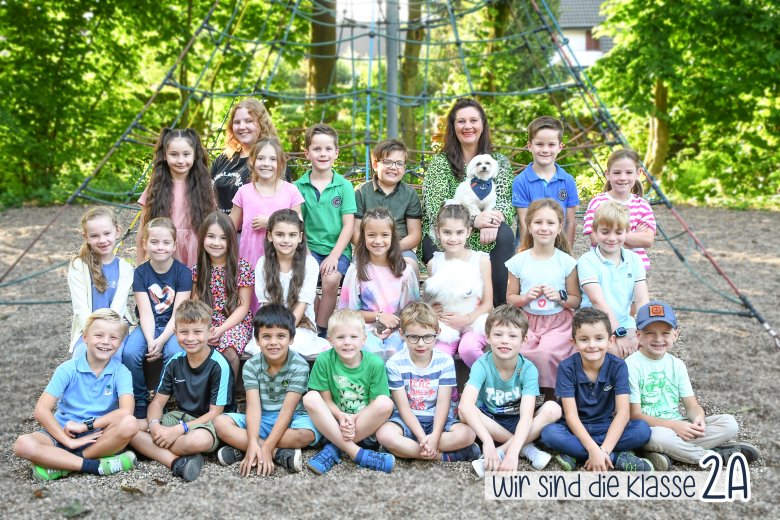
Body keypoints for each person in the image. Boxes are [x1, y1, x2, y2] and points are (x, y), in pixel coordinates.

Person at [627, 301, 759, 470]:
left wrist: (698, 419)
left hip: (680, 428)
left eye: (665, 333)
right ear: (638, 335)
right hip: (652, 430)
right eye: (650, 333)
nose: (658, 339)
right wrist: (675, 426)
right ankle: (711, 456)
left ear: (676, 335)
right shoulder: (631, 365)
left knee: (729, 423)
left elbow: (692, 406)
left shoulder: (677, 365)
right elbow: (635, 415)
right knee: (658, 437)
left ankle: (672, 455)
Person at [13, 309, 138, 481]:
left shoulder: (121, 372)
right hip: (61, 431)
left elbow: (125, 412)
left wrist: (86, 426)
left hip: (96, 436)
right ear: (85, 337)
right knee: (22, 444)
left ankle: (62, 465)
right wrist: (67, 440)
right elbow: (41, 410)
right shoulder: (67, 369)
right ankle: (94, 466)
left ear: (120, 342)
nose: (105, 342)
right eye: (99, 335)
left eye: (113, 337)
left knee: (130, 424)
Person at [419, 98, 515, 306]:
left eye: (474, 120)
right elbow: (437, 208)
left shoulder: (499, 162)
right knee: (449, 236)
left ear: (482, 125)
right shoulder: (440, 164)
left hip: (486, 229)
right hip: (446, 232)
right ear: (453, 127)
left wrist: (492, 220)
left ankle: (497, 312)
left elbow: (506, 201)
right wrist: (473, 220)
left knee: (504, 235)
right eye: (461, 121)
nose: (468, 126)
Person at [129, 299, 233, 482]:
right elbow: (158, 403)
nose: (190, 338)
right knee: (132, 428)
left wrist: (177, 430)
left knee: (198, 441)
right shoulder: (174, 362)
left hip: (207, 422)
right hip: (180, 416)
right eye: (184, 332)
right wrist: (154, 426)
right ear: (175, 333)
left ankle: (160, 449)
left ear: (210, 333)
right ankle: (178, 459)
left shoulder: (219, 365)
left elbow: (215, 413)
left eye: (197, 332)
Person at [541, 308, 653, 472]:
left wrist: (603, 450)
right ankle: (616, 458)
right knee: (549, 433)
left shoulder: (618, 366)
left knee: (642, 430)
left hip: (606, 426)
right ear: (574, 343)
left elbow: (623, 413)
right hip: (574, 428)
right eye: (584, 339)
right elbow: (571, 416)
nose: (592, 345)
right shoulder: (566, 367)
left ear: (610, 341)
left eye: (599, 338)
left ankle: (578, 454)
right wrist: (595, 451)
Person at [214, 304, 321, 475]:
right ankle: (277, 454)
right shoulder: (251, 365)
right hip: (261, 418)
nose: (273, 342)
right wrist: (264, 446)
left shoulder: (299, 366)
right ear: (257, 340)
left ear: (291, 338)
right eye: (266, 336)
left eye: (281, 336)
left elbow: (287, 411)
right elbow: (253, 407)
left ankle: (248, 449)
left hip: (292, 419)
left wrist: (260, 443)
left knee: (307, 434)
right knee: (220, 423)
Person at [459, 305, 561, 477]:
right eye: (498, 334)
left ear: (524, 340)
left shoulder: (528, 369)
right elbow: (465, 406)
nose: (504, 340)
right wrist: (487, 442)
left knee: (553, 409)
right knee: (464, 412)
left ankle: (503, 451)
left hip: (517, 421)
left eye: (513, 336)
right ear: (488, 338)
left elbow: (527, 417)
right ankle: (526, 448)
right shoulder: (482, 364)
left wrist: (511, 454)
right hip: (490, 420)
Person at [375, 303, 481, 462]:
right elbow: (403, 407)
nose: (421, 343)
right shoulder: (395, 364)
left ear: (437, 333)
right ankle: (443, 456)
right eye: (413, 337)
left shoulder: (444, 361)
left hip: (439, 420)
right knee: (384, 434)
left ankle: (405, 450)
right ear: (402, 334)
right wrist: (422, 437)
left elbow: (443, 402)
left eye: (427, 337)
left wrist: (436, 435)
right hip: (408, 419)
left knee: (468, 434)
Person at [302, 309, 396, 475]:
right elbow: (326, 400)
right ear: (330, 339)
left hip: (364, 425)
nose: (347, 342)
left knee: (385, 402)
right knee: (311, 397)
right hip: (334, 424)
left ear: (363, 339)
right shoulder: (324, 360)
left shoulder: (374, 363)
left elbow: (375, 403)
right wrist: (340, 416)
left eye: (353, 337)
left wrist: (353, 418)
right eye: (340, 337)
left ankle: (334, 449)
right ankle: (357, 454)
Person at [505, 198, 581, 400]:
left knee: (546, 353)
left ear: (559, 228)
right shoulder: (518, 261)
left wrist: (559, 298)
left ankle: (552, 398)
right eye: (538, 222)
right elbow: (510, 298)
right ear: (528, 226)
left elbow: (575, 300)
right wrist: (524, 298)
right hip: (526, 321)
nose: (544, 228)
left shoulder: (566, 262)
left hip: (558, 322)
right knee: (523, 352)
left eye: (550, 223)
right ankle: (524, 398)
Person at [122, 218, 191, 419]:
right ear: (145, 244)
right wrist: (152, 340)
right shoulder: (141, 273)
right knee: (130, 353)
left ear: (174, 246)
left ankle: (162, 398)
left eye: (166, 242)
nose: (160, 247)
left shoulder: (183, 273)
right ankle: (141, 398)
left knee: (175, 353)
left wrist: (161, 342)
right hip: (149, 325)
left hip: (173, 327)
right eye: (154, 242)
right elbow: (145, 313)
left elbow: (178, 315)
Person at [294, 123, 356, 337]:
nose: (323, 153)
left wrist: (334, 256)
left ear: (336, 153)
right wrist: (308, 254)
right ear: (307, 153)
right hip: (308, 248)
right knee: (306, 278)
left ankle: (321, 331)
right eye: (317, 149)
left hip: (336, 249)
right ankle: (311, 324)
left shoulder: (344, 186)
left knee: (330, 280)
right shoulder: (298, 187)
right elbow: (298, 225)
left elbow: (349, 225)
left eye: (328, 149)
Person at [230, 137, 304, 313]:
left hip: (281, 258)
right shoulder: (244, 192)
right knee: (249, 299)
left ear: (280, 163)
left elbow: (299, 224)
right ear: (252, 161)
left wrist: (270, 222)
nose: (266, 164)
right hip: (250, 257)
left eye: (272, 159)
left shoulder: (291, 191)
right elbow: (230, 226)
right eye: (261, 158)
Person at [339, 207, 420, 361]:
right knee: (372, 354)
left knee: (395, 352)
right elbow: (346, 314)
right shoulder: (356, 271)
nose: (378, 241)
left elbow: (413, 312)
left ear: (392, 237)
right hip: (363, 330)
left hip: (398, 329)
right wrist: (379, 317)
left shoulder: (406, 272)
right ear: (363, 237)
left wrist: (392, 326)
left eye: (384, 235)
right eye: (371, 235)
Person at [253, 209, 331, 358]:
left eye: (292, 235)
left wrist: (285, 333)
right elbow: (267, 305)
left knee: (293, 345)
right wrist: (275, 333)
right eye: (280, 234)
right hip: (270, 324)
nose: (286, 240)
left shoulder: (309, 264)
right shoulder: (262, 264)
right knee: (265, 346)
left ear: (300, 237)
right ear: (270, 235)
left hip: (299, 324)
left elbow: (302, 304)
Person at [577, 201, 649, 358]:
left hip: (624, 321)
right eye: (605, 232)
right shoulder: (587, 261)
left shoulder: (635, 260)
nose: (612, 238)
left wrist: (643, 331)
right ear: (594, 231)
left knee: (646, 349)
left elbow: (642, 300)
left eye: (618, 232)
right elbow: (598, 302)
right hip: (594, 323)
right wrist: (619, 334)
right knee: (616, 353)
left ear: (627, 232)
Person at [136, 128, 215, 267]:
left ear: (195, 155)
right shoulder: (155, 187)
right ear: (165, 156)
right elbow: (143, 226)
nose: (180, 160)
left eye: (186, 154)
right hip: (165, 248)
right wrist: (140, 261)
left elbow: (213, 224)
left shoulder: (204, 187)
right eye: (174, 154)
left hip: (196, 250)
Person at [191, 211, 254, 383]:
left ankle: (227, 398)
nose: (216, 243)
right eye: (211, 236)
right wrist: (206, 327)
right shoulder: (199, 269)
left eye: (223, 238)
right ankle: (204, 396)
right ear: (203, 238)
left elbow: (243, 306)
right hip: (207, 320)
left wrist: (222, 329)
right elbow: (196, 303)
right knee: (198, 344)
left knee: (229, 350)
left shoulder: (242, 267)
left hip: (234, 321)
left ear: (231, 240)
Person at [427, 203, 492, 367]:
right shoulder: (434, 264)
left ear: (469, 232)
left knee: (468, 349)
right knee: (439, 355)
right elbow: (432, 300)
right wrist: (432, 309)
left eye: (459, 232)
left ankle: (486, 383)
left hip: (474, 320)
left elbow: (488, 303)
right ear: (438, 232)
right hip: (447, 324)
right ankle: (450, 391)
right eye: (447, 232)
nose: (453, 238)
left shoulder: (481, 260)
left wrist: (466, 319)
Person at [68, 206, 134, 359]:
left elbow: (117, 309)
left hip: (116, 328)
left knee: (116, 355)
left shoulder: (125, 268)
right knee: (81, 356)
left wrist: (107, 338)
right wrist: (96, 337)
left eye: (107, 233)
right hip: (88, 329)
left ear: (117, 231)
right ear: (86, 237)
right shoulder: (78, 266)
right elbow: (81, 309)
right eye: (95, 236)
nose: (102, 240)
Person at [353, 139, 422, 275]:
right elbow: (355, 231)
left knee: (410, 268)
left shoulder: (410, 194)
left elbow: (415, 234)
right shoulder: (361, 192)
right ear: (375, 165)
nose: (393, 167)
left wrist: (392, 249)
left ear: (404, 167)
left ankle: (407, 297)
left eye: (399, 163)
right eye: (387, 162)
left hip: (401, 248)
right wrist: (373, 248)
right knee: (357, 270)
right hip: (368, 248)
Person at [582, 148, 656, 272]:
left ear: (638, 174)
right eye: (617, 172)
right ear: (607, 174)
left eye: (628, 172)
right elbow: (595, 239)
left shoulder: (642, 205)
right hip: (602, 268)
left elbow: (647, 241)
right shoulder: (597, 203)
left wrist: (608, 235)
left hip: (634, 270)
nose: (622, 177)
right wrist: (633, 236)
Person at [512, 115, 579, 247]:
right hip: (530, 246)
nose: (545, 150)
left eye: (551, 145)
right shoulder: (521, 181)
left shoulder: (567, 180)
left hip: (559, 245)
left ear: (560, 147)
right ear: (530, 146)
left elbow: (570, 222)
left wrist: (567, 255)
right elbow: (524, 223)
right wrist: (527, 256)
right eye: (539, 144)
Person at [211, 97, 278, 214]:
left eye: (248, 121)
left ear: (261, 124)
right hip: (221, 228)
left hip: (253, 229)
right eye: (237, 122)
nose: (242, 127)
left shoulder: (271, 161)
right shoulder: (223, 159)